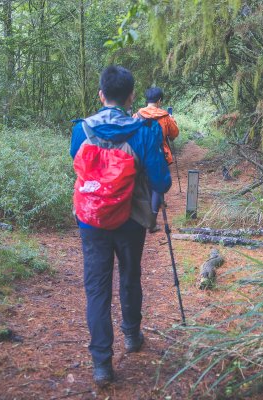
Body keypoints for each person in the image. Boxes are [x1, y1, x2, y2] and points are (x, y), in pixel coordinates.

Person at [70, 66, 172, 387]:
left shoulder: (81, 130)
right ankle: (131, 335)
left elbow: (78, 164)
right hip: (130, 218)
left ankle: (102, 364)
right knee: (130, 274)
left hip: (92, 221)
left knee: (97, 287)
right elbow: (161, 181)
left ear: (101, 95)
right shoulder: (144, 131)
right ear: (131, 97)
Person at [135, 87, 179, 231]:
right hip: (159, 153)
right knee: (157, 186)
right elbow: (174, 134)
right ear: (159, 100)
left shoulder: (137, 115)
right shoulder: (165, 116)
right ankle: (152, 221)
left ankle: (142, 215)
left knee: (144, 183)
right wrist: (173, 121)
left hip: (141, 154)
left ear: (147, 100)